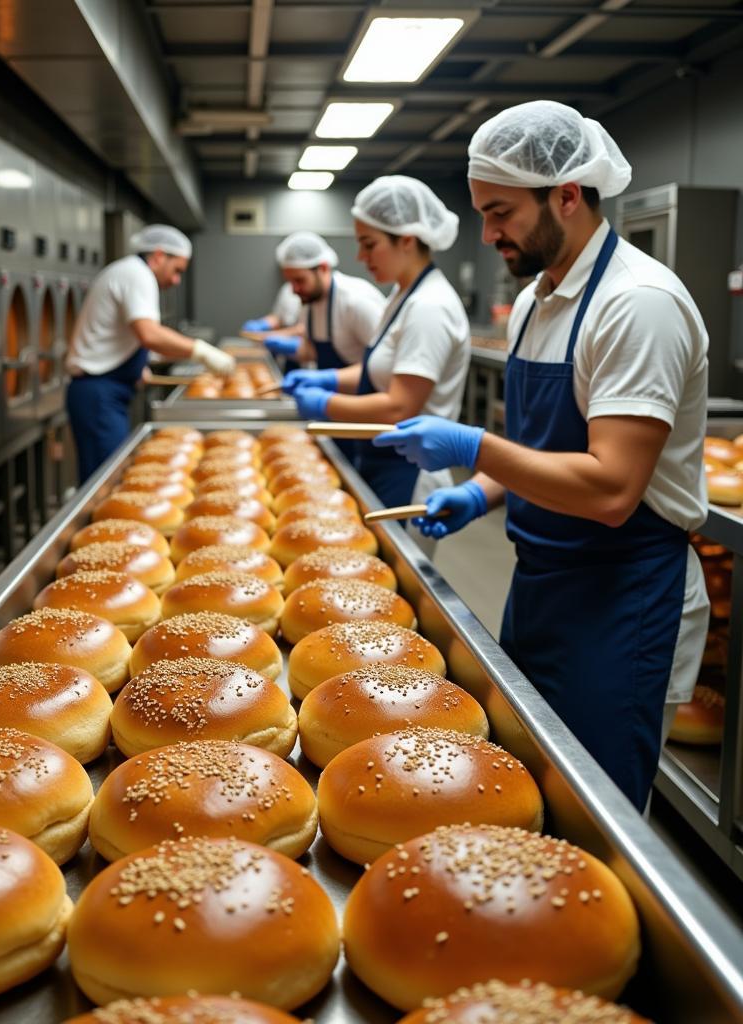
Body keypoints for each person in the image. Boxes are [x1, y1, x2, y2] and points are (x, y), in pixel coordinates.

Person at [372, 100, 710, 812]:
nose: (487, 233)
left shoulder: (637, 304)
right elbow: (541, 448)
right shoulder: (536, 300)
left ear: (566, 194)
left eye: (501, 213)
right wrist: (482, 491)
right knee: (528, 793)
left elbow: (613, 487)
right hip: (540, 581)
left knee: (597, 815)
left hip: (621, 596)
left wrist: (471, 446)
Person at [281, 178, 469, 531]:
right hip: (381, 459)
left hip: (411, 473)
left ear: (408, 240)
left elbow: (400, 407)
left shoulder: (430, 307)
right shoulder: (402, 297)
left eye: (369, 245)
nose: (360, 257)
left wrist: (325, 404)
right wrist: (329, 379)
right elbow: (377, 371)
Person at [66, 224, 235, 482]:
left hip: (103, 390)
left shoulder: (127, 271)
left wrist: (136, 367)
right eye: (176, 270)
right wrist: (201, 351)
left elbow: (126, 335)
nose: (176, 280)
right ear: (158, 256)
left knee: (108, 476)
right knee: (105, 483)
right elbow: (148, 333)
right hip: (98, 393)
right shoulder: (137, 275)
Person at [259, 231, 386, 371]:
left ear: (323, 268)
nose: (294, 290)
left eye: (299, 280)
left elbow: (384, 362)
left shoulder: (356, 301)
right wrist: (286, 346)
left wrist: (331, 379)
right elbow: (313, 351)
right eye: (290, 282)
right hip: (336, 391)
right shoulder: (309, 303)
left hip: (364, 392)